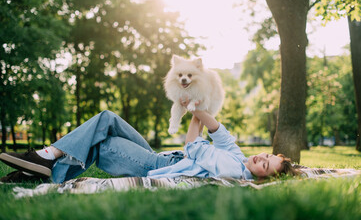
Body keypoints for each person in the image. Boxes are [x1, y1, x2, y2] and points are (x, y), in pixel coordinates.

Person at [0, 105, 297, 183]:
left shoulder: (234, 169)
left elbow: (194, 146)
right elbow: (215, 128)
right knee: (107, 119)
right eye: (266, 156)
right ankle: (43, 165)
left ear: (263, 178)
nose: (260, 159)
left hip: (154, 165)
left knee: (102, 144)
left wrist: (195, 112)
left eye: (265, 167)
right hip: (159, 155)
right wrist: (196, 106)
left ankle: (43, 161)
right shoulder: (238, 154)